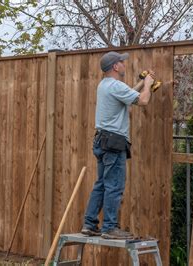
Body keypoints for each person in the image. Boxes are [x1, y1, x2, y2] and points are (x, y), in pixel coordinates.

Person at [81, 51, 155, 239]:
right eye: (122, 62)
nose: (124, 64)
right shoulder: (115, 86)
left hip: (102, 141)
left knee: (102, 184)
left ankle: (89, 224)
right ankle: (109, 228)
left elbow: (127, 96)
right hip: (114, 143)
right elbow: (143, 100)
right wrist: (148, 85)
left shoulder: (105, 85)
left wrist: (141, 83)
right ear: (115, 66)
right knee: (114, 185)